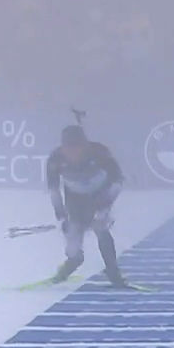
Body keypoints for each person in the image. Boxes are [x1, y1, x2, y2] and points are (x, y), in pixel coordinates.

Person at [42, 123, 132, 289]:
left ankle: (113, 273)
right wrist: (61, 216)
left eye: (77, 148)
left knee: (101, 229)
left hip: (100, 195)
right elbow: (54, 190)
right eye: (68, 149)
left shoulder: (100, 153)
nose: (73, 153)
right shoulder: (55, 159)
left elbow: (117, 182)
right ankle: (71, 263)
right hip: (74, 199)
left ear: (85, 146)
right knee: (73, 239)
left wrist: (104, 207)